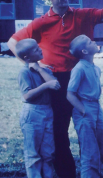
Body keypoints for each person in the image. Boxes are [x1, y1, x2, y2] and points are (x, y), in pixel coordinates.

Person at [7, 0, 103, 178]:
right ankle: (67, 174)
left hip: (81, 81)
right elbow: (14, 42)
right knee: (59, 133)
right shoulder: (41, 23)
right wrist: (33, 66)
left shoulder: (84, 14)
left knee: (88, 128)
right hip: (56, 83)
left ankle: (91, 172)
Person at [15, 38, 61, 178]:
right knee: (33, 154)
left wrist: (40, 69)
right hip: (32, 113)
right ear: (26, 57)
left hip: (47, 111)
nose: (39, 49)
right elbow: (27, 96)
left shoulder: (42, 70)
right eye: (35, 49)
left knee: (48, 153)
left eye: (38, 47)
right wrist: (45, 86)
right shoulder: (24, 73)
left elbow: (55, 84)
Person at [67, 35, 103, 178]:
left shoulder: (95, 68)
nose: (94, 41)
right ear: (84, 51)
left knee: (99, 148)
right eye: (90, 42)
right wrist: (83, 111)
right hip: (84, 109)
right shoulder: (79, 68)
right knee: (89, 151)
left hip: (96, 107)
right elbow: (70, 94)